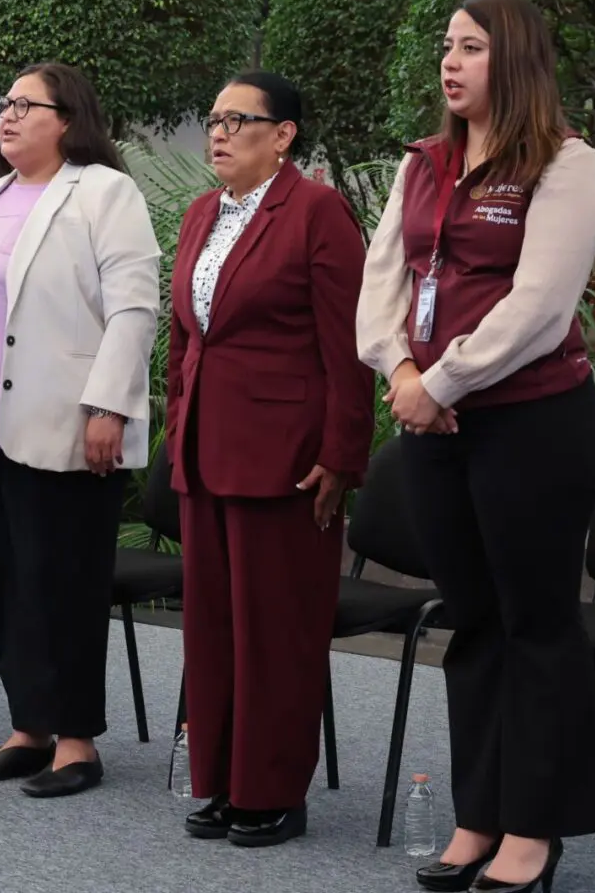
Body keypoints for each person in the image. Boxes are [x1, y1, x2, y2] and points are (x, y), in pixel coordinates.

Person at [357, 0, 595, 893]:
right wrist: (399, 369)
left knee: (535, 622)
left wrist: (439, 383)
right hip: (434, 422)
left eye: (470, 47)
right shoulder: (422, 164)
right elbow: (382, 282)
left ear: (514, 61)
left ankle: (533, 828)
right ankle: (479, 813)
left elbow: (539, 307)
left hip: (533, 424)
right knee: (472, 621)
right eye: (447, 45)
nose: (450, 61)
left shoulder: (567, 164)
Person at [0, 62, 160, 798]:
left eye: (25, 104)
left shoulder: (104, 192)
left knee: (62, 582)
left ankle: (76, 742)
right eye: (4, 103)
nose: (7, 115)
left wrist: (109, 405)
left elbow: (134, 309)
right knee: (2, 580)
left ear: (68, 119)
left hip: (61, 421)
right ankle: (29, 727)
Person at [165, 72, 374, 846]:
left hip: (288, 457)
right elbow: (184, 338)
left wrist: (342, 455)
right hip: (206, 451)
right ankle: (223, 782)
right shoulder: (201, 214)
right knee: (213, 631)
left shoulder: (316, 211)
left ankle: (274, 790)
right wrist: (177, 427)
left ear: (283, 135)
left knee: (276, 632)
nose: (218, 133)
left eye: (237, 120)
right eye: (214, 119)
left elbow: (348, 347)